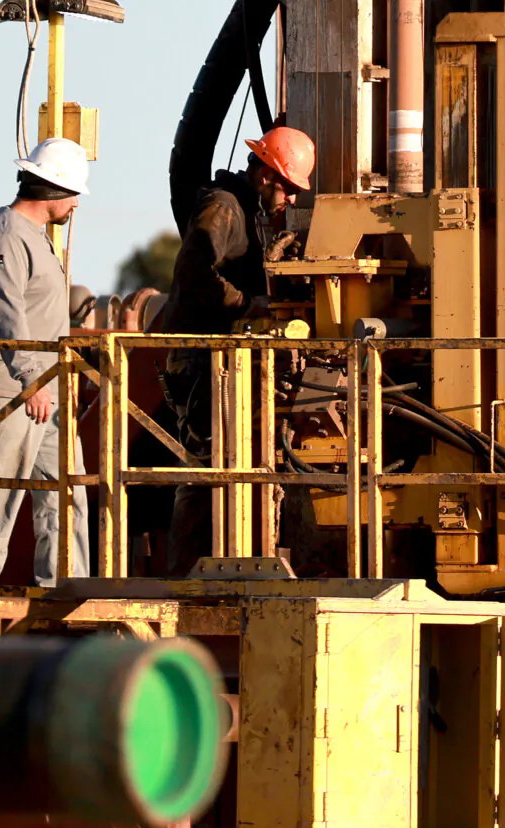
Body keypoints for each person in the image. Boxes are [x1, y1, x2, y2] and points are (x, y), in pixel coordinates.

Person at [159, 126, 316, 576]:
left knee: (220, 469)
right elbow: (195, 273)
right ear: (267, 175)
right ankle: (186, 578)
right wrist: (250, 304)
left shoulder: (241, 210)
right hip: (199, 359)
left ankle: (212, 568)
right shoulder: (223, 208)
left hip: (215, 359)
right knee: (207, 472)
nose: (290, 199)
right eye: (288, 187)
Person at [0, 138, 91, 586]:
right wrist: (31, 377)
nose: (76, 205)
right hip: (7, 389)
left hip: (40, 389)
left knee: (68, 494)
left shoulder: (34, 238)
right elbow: (6, 312)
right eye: (75, 194)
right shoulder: (7, 237)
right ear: (54, 189)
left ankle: (67, 595)